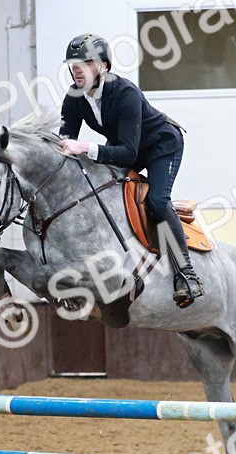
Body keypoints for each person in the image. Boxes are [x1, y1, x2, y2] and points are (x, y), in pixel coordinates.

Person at [57, 33, 204, 308]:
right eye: (73, 63)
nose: (77, 69)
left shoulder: (125, 93)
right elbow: (64, 144)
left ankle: (187, 275)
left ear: (103, 66)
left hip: (162, 145)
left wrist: (86, 147)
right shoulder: (74, 96)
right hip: (126, 145)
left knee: (157, 203)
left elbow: (128, 153)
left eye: (86, 63)